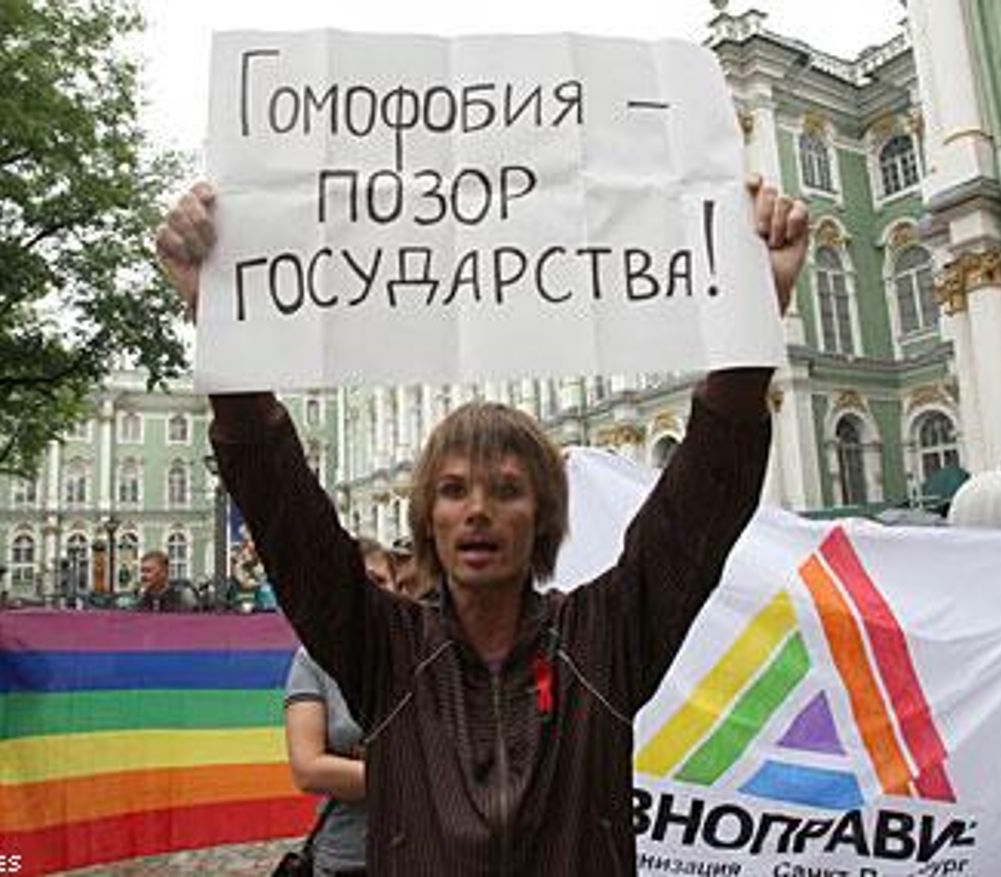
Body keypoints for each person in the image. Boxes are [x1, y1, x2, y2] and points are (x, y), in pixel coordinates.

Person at [156, 175, 807, 873]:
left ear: (544, 517)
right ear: (426, 520)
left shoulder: (604, 638)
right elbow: (286, 512)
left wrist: (754, 312)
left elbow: (697, 509)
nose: (477, 510)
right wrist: (220, 318)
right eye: (453, 490)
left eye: (507, 490)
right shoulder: (384, 649)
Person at [283, 538, 395, 877]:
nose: (368, 593)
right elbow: (308, 769)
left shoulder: (425, 654)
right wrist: (411, 772)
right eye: (354, 583)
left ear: (397, 587)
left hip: (430, 853)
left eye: (378, 581)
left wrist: (356, 770)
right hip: (349, 858)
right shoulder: (313, 661)